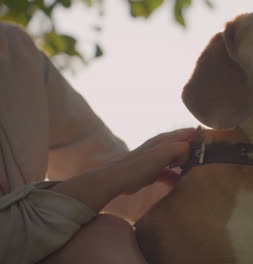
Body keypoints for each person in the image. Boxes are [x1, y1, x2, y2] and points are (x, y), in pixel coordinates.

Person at [0, 22, 194, 264]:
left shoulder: (14, 51)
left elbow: (100, 160)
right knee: (101, 235)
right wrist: (113, 176)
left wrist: (211, 175)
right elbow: (116, 173)